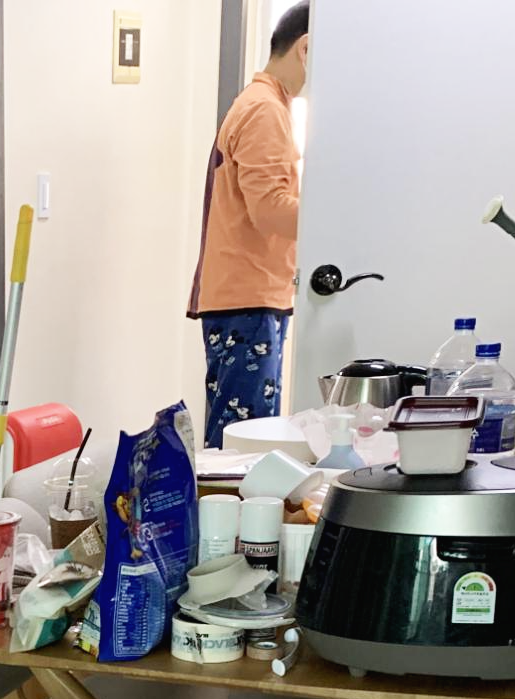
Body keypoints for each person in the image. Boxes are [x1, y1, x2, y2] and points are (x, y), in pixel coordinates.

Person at [189, 3, 310, 448]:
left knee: (240, 439)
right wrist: (331, 218)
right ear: (305, 49)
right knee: (243, 446)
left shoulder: (264, 104)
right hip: (248, 300)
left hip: (249, 298)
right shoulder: (264, 110)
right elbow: (271, 209)